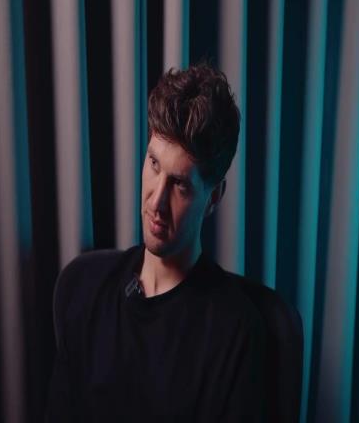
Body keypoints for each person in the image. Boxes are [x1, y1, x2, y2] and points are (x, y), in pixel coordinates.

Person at [47, 64, 265, 421]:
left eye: (179, 184)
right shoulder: (87, 290)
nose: (156, 201)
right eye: (153, 164)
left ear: (213, 198)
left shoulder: (235, 332)